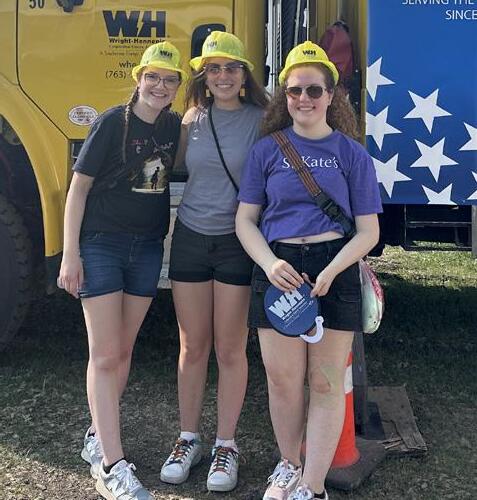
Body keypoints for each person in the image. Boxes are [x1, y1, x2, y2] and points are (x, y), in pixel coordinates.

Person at [235, 41, 382, 500]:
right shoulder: (266, 151)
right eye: (295, 90)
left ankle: (312, 485)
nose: (304, 98)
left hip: (333, 268)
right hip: (279, 270)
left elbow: (368, 232)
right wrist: (270, 262)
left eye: (314, 90)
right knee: (282, 381)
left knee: (324, 382)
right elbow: (245, 220)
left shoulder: (352, 154)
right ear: (284, 96)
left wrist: (334, 269)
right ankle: (288, 465)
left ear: (331, 96)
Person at [57, 41, 186, 500]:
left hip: (147, 248)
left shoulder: (173, 126)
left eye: (169, 80)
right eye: (153, 77)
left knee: (124, 349)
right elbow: (78, 189)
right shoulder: (112, 122)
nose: (159, 86)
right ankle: (112, 465)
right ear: (138, 78)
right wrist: (70, 255)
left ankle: (97, 436)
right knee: (105, 354)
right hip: (101, 245)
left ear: (177, 87)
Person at [159, 31, 268, 492]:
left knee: (230, 349)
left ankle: (227, 444)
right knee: (192, 346)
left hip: (236, 242)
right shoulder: (191, 119)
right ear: (204, 76)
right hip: (189, 237)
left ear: (244, 75)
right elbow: (170, 165)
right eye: (214, 69)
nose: (223, 76)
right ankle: (188, 438)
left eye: (231, 68)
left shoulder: (261, 119)